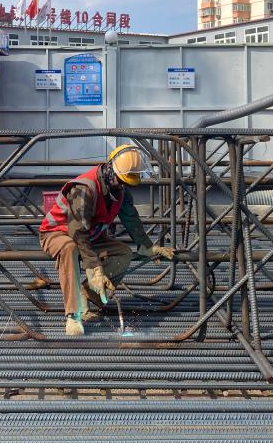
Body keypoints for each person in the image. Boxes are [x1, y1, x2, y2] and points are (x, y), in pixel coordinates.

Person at [39, 144, 176, 336]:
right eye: (121, 181)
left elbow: (130, 218)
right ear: (110, 169)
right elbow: (77, 231)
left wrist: (146, 246)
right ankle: (73, 314)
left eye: (127, 183)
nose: (123, 187)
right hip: (57, 233)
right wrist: (94, 267)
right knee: (70, 248)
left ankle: (86, 296)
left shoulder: (120, 189)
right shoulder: (84, 188)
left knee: (123, 253)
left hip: (90, 235)